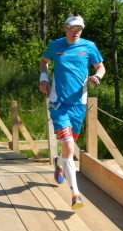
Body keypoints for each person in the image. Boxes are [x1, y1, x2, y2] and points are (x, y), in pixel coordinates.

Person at [38, 13, 105, 210]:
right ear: (65, 28)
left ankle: (59, 162)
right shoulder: (55, 45)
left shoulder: (89, 46)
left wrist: (97, 77)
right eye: (73, 28)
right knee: (68, 147)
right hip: (58, 103)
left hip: (79, 105)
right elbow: (44, 61)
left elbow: (100, 67)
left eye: (80, 29)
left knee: (67, 149)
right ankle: (76, 195)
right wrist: (43, 78)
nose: (76, 32)